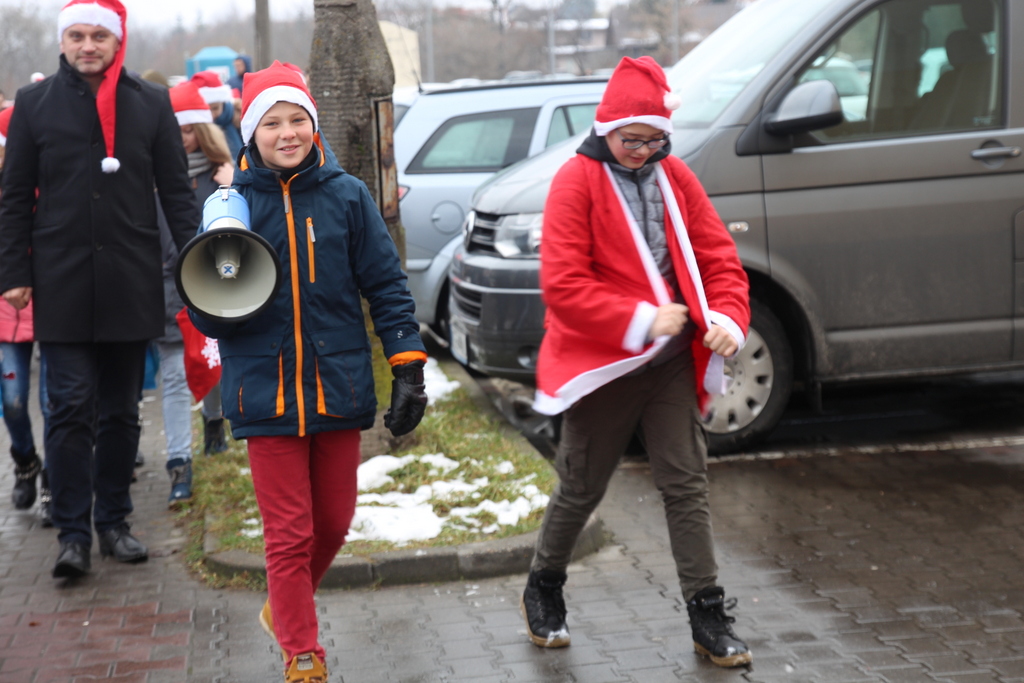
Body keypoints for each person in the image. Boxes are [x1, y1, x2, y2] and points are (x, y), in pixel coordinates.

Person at [186, 62, 427, 683]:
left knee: (334, 523)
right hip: (263, 391)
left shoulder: (347, 195)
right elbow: (207, 309)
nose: (287, 133)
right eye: (272, 123)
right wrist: (218, 290)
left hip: (337, 383)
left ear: (313, 126)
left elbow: (386, 285)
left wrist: (407, 364)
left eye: (297, 119)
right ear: (251, 132)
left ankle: (282, 607)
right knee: (289, 532)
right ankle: (302, 652)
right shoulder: (231, 207)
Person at [520, 56, 753, 668]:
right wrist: (640, 318)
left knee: (686, 483)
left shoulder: (676, 176)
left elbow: (718, 259)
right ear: (607, 129)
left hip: (670, 362)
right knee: (581, 487)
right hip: (604, 365)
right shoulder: (575, 181)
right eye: (632, 140)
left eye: (655, 140)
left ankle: (707, 614)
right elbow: (563, 284)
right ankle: (543, 585)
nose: (644, 152)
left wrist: (728, 319)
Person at [0, 0, 201, 579]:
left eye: (98, 36)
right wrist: (13, 273)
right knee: (67, 409)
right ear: (63, 41)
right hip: (61, 283)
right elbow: (14, 197)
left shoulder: (151, 103)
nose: (88, 46)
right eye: (77, 36)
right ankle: (72, 535)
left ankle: (113, 521)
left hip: (131, 282)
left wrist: (198, 266)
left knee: (119, 412)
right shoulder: (34, 104)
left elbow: (176, 194)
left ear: (117, 41)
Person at [156, 81, 234, 507]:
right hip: (165, 288)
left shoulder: (222, 173)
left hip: (211, 287)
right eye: (176, 131)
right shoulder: (151, 176)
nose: (182, 139)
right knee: (172, 376)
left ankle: (214, 420)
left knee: (211, 362)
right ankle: (179, 464)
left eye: (188, 131)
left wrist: (234, 185)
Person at [0, 105, 51, 521]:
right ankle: (25, 460)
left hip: (52, 305)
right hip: (6, 311)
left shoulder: (47, 185)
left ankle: (56, 478)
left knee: (56, 402)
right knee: (13, 400)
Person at [191, 70, 243, 161]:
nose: (211, 115)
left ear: (223, 103)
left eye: (215, 108)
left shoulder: (237, 118)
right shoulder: (193, 128)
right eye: (206, 109)